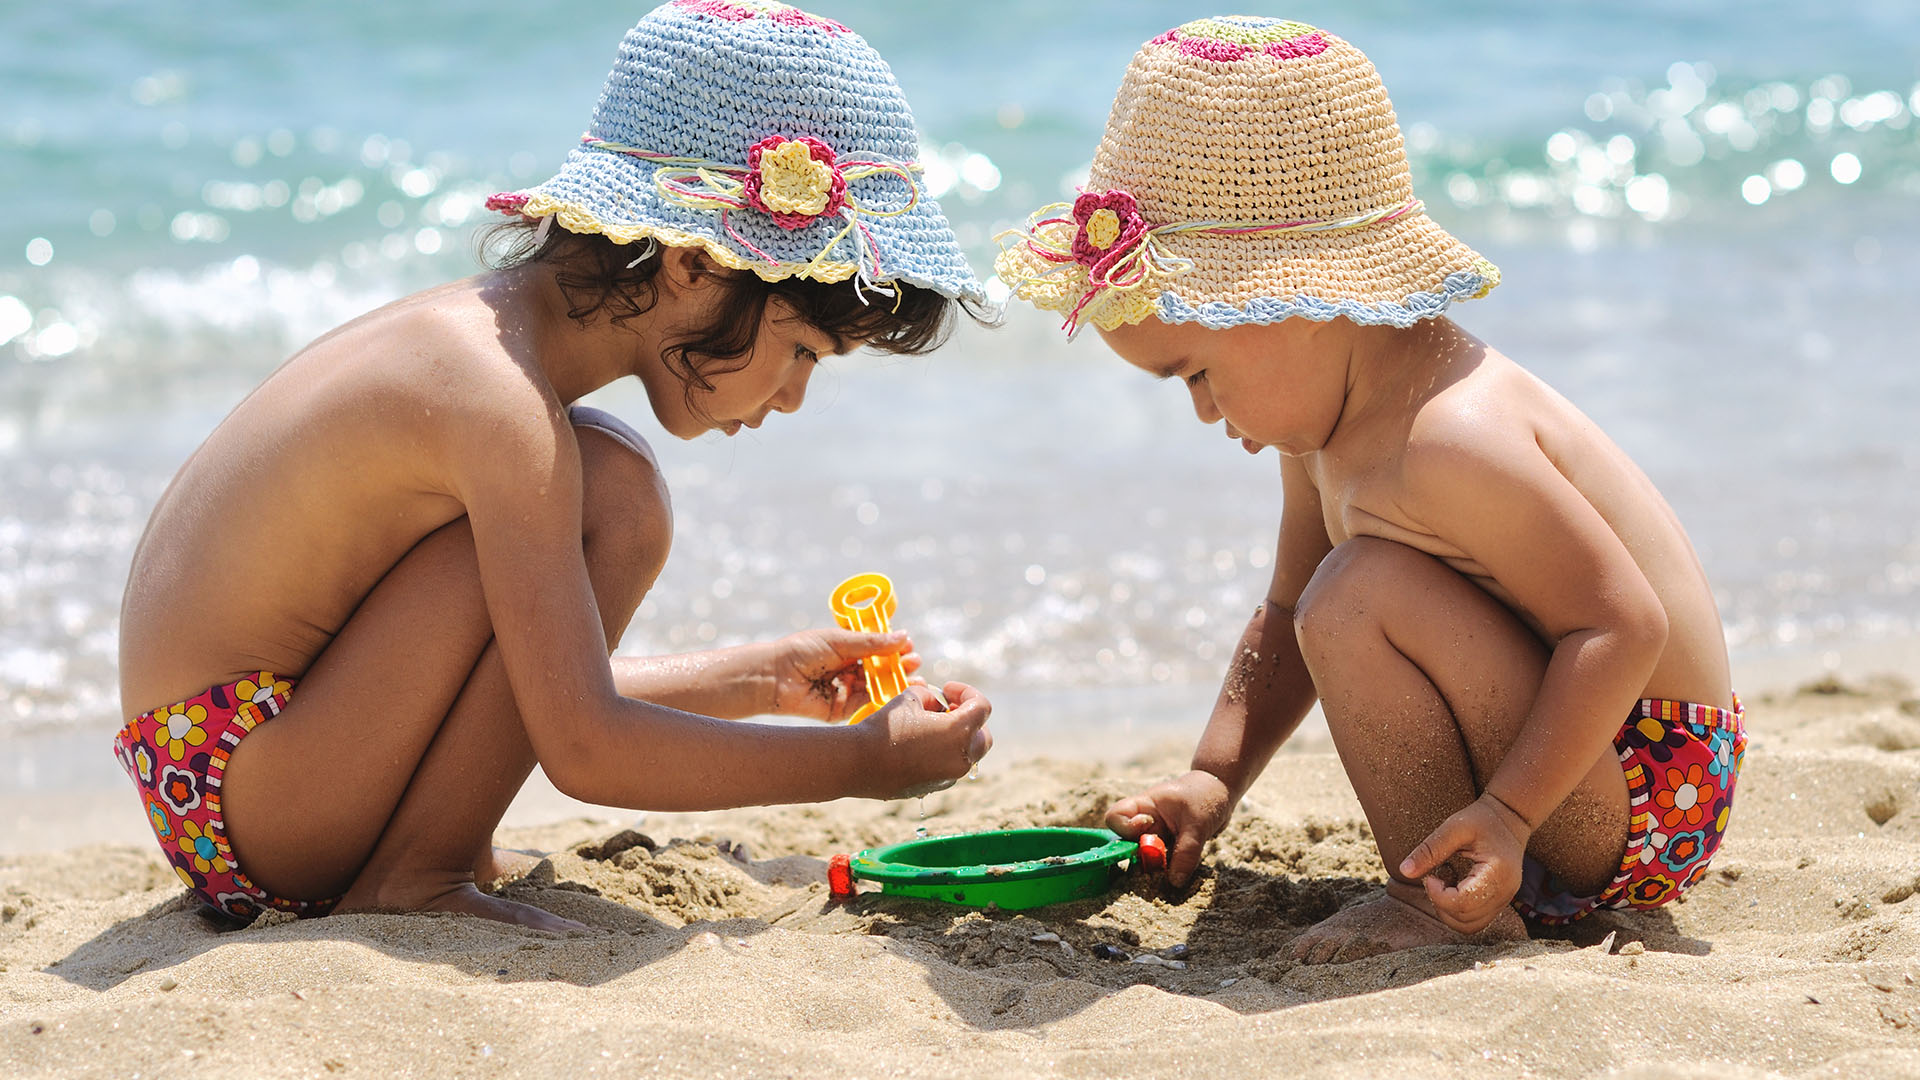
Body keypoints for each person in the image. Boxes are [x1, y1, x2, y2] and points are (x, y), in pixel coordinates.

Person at [113, 0, 994, 933]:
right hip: (259, 798)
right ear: (696, 264)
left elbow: (515, 675)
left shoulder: (482, 343)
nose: (792, 399)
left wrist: (761, 678)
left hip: (227, 783)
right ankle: (420, 874)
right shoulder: (498, 403)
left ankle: (424, 854)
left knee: (604, 477)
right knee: (618, 494)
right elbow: (583, 745)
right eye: (805, 352)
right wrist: (864, 766)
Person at [996, 16, 1743, 963]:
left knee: (1356, 594)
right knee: (1330, 594)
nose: (1200, 412)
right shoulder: (1326, 421)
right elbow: (1281, 613)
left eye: (1195, 373)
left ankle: (1434, 903)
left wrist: (1510, 817)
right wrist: (1213, 779)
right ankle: (1459, 865)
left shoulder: (1450, 439)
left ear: (1295, 299)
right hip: (1576, 761)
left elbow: (1622, 626)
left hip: (1643, 785)